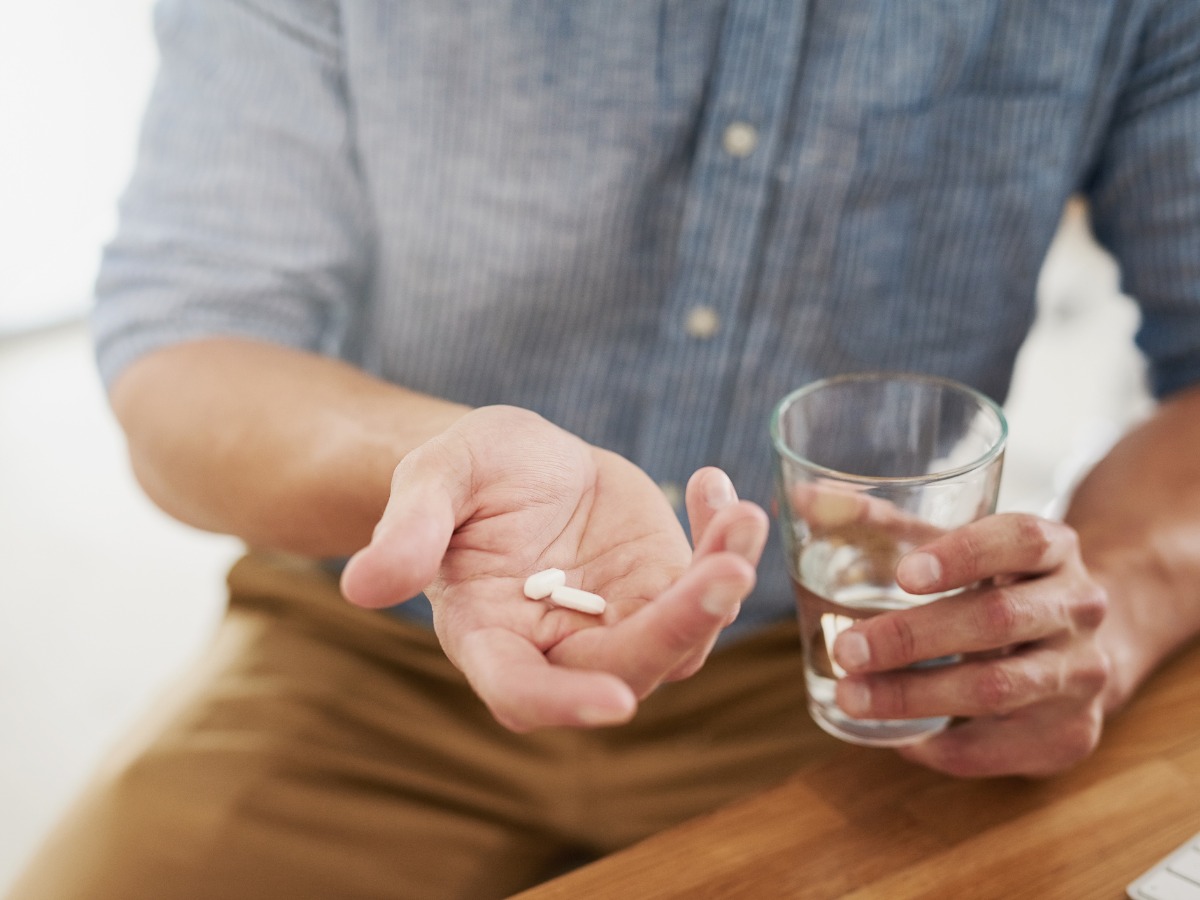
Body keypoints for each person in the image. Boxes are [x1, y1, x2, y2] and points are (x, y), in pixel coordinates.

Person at [10, 2, 1200, 898]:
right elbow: (191, 348)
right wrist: (436, 463)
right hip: (367, 657)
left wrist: (1126, 587)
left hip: (849, 676)